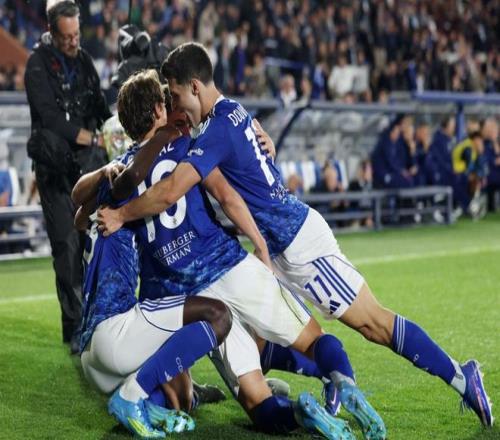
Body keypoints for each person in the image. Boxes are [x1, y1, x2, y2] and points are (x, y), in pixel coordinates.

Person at [100, 43, 492, 430]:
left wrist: (120, 214)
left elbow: (175, 190)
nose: (174, 104)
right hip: (272, 247)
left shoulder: (216, 129)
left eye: (177, 95)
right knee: (260, 340)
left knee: (374, 324)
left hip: (297, 243)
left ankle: (459, 375)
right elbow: (248, 154)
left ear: (195, 87)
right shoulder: (226, 113)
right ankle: (299, 390)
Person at [97, 70, 359, 440]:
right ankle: (345, 386)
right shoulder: (186, 144)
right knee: (312, 339)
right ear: (159, 109)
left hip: (194, 299)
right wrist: (260, 244)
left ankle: (299, 416)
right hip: (228, 264)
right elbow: (227, 196)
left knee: (255, 399)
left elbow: (88, 209)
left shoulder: (122, 178)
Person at [72, 157, 232, 438]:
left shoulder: (95, 208)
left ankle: (161, 402)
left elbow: (78, 213)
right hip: (115, 336)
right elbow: (135, 176)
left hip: (91, 358)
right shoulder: (124, 194)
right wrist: (166, 137)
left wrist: (103, 172)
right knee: (218, 315)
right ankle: (132, 396)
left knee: (179, 394)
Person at [24, 0, 111, 353]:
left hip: (87, 168)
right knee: (66, 246)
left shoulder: (85, 61)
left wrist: (114, 128)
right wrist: (92, 137)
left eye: (77, 34)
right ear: (52, 32)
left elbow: (101, 108)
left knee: (93, 244)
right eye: (68, 36)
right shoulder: (36, 65)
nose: (75, 41)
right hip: (55, 172)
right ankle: (74, 328)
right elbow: (48, 118)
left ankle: (95, 320)